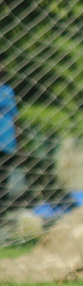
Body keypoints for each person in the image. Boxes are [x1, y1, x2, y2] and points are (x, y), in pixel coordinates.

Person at [0, 62, 20, 217]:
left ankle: (2, 218)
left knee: (4, 181)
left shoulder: (7, 91)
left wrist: (19, 142)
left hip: (7, 142)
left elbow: (15, 118)